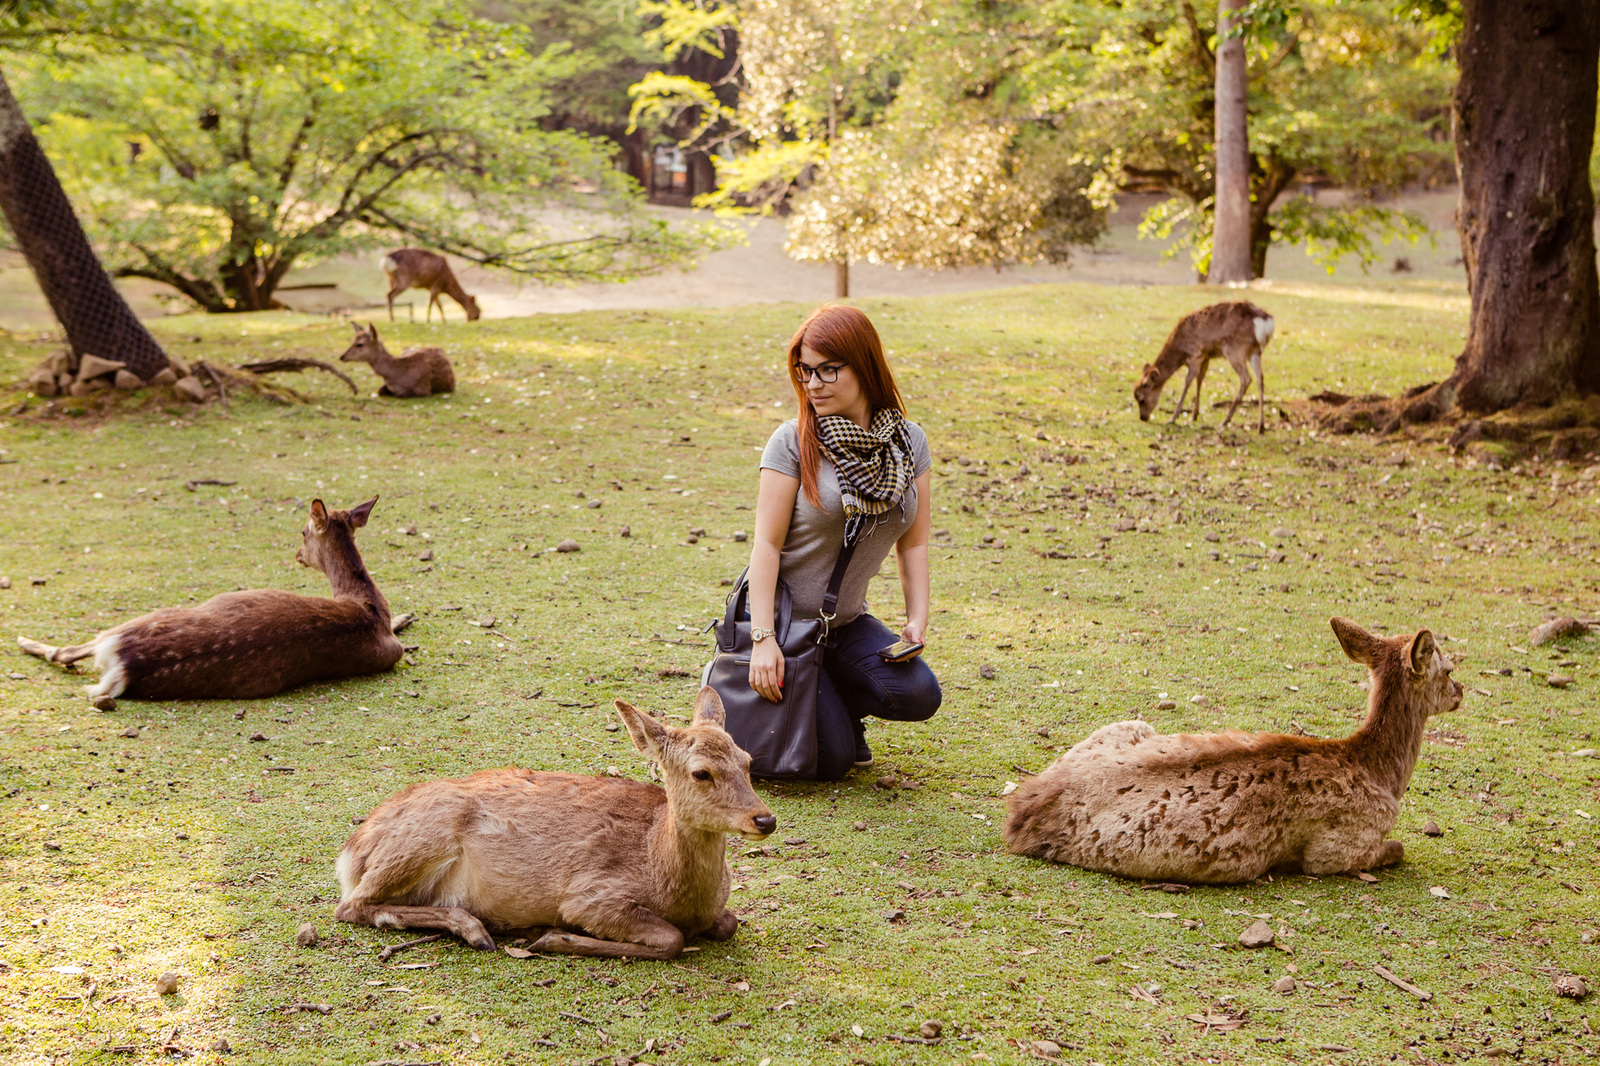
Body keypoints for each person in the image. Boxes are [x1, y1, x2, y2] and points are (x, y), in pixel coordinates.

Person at [745, 304, 942, 780]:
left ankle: (826, 695)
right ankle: (818, 708)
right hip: (788, 626)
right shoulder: (792, 442)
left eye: (828, 369)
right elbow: (765, 547)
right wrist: (763, 639)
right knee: (831, 761)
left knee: (918, 693)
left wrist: (917, 618)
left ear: (864, 365)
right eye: (805, 370)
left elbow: (912, 543)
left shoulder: (908, 443)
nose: (813, 384)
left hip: (844, 623)